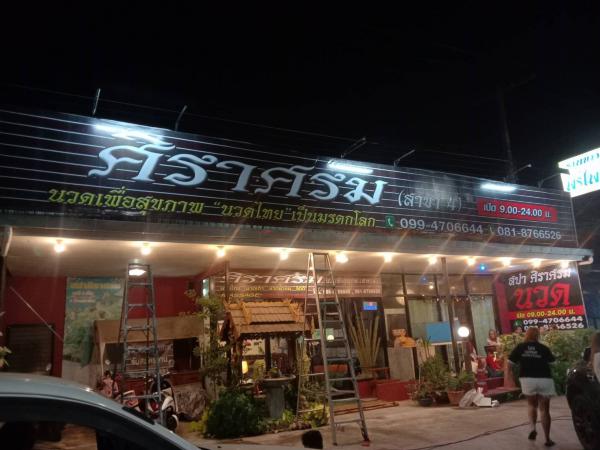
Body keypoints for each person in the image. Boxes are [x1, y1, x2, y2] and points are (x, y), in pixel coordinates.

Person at [509, 327, 556, 447]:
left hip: (527, 379)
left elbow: (510, 363)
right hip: (544, 379)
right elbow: (553, 362)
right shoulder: (543, 348)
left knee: (531, 405)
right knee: (544, 409)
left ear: (527, 335)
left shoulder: (520, 347)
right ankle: (547, 439)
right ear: (537, 336)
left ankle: (532, 428)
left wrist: (510, 377)